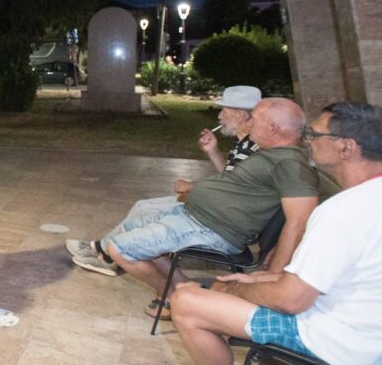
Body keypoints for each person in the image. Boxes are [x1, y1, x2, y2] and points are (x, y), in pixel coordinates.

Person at [172, 102, 382, 365]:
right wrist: (266, 279)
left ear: (346, 147)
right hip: (368, 336)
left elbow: (291, 300)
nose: (307, 140)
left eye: (315, 135)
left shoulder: (341, 212)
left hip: (334, 342)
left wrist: (232, 289)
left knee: (185, 301)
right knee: (244, 284)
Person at [69, 98, 320, 313]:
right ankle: (185, 289)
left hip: (213, 229)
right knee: (129, 228)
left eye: (254, 118)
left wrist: (273, 277)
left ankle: (170, 296)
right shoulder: (271, 153)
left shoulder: (291, 164)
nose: (250, 122)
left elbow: (298, 223)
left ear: (274, 128)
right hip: (196, 217)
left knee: (120, 249)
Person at [65, 85, 262, 261]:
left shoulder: (253, 148)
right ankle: (106, 251)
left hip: (219, 220)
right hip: (217, 211)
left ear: (240, 114)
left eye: (224, 109)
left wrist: (193, 186)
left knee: (147, 213)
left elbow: (234, 188)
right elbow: (230, 177)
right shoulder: (243, 142)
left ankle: (105, 252)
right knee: (142, 206)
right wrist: (213, 151)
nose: (219, 115)